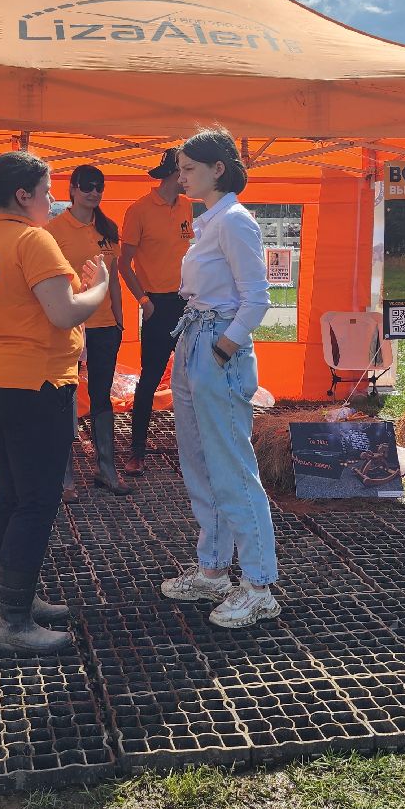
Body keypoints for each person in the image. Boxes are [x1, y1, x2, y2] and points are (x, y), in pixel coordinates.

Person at [0, 151, 109, 654]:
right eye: (47, 193)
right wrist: (100, 289)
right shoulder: (32, 239)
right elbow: (64, 313)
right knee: (37, 501)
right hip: (33, 385)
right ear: (24, 196)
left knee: (12, 492)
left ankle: (16, 599)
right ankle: (13, 621)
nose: (52, 202)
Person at [160, 127, 279, 628]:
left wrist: (222, 347)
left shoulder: (234, 221)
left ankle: (258, 585)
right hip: (196, 339)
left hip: (215, 344)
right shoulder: (211, 219)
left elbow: (258, 298)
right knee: (200, 463)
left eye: (188, 169)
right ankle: (213, 570)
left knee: (231, 466)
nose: (181, 177)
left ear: (218, 170)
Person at [47, 164, 132, 499]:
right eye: (87, 186)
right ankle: (65, 477)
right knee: (66, 397)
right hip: (70, 328)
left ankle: (106, 470)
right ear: (72, 189)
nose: (94, 192)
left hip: (105, 327)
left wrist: (121, 320)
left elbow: (112, 281)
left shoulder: (108, 230)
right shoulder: (54, 230)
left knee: (101, 398)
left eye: (100, 187)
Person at [118, 149, 195, 474]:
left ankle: (197, 449)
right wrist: (144, 301)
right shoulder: (139, 210)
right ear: (174, 174)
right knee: (149, 380)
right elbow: (123, 263)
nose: (191, 179)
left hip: (189, 303)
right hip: (157, 306)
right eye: (187, 172)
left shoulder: (188, 206)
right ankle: (137, 451)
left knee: (196, 376)